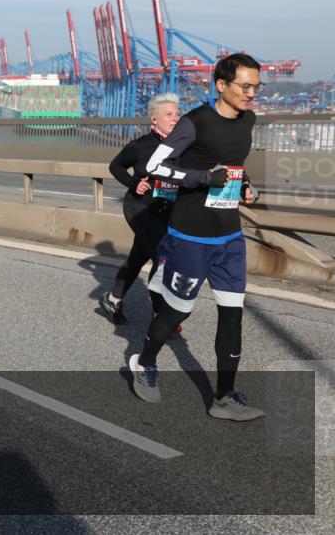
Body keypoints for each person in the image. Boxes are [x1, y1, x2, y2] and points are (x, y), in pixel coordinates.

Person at [129, 53, 263, 421]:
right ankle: (144, 360)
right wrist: (204, 178)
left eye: (256, 86)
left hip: (229, 236)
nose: (251, 93)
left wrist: (247, 187)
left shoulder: (248, 120)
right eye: (245, 86)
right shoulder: (195, 123)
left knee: (232, 313)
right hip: (190, 235)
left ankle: (223, 396)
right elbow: (156, 166)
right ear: (221, 85)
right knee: (177, 310)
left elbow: (235, 166)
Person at [100, 93, 181, 325]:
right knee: (162, 256)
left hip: (166, 209)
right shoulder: (141, 145)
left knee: (138, 257)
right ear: (154, 119)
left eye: (177, 114)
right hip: (139, 207)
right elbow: (115, 166)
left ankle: (113, 299)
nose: (175, 118)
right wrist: (134, 183)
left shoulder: (182, 147)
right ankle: (160, 314)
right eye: (169, 114)